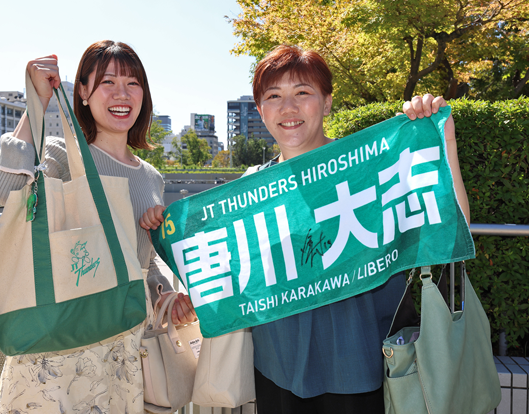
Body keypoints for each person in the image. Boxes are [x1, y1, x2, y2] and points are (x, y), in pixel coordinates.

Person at [140, 44, 470, 414]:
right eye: (274, 96)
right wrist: (170, 232)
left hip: (364, 366)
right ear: (261, 110)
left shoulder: (367, 168)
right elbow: (230, 279)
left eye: (302, 92)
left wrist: (445, 141)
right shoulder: (250, 190)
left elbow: (453, 223)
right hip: (277, 369)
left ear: (327, 103)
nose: (288, 108)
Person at [0, 40, 195, 414]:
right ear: (82, 92)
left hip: (124, 341)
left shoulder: (151, 177)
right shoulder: (62, 154)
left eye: (132, 83)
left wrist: (165, 295)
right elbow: (5, 191)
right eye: (107, 82)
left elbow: (142, 262)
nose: (122, 94)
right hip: (63, 338)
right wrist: (37, 103)